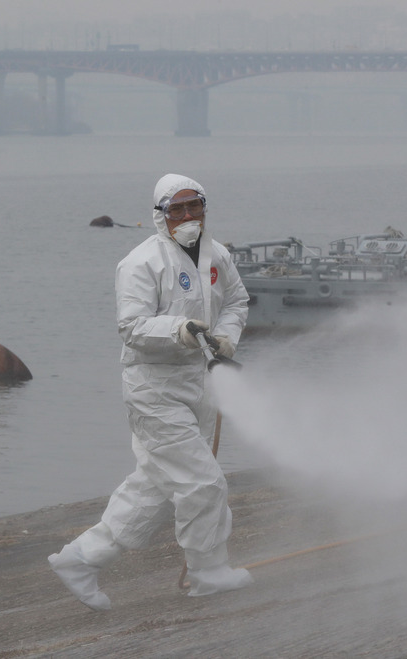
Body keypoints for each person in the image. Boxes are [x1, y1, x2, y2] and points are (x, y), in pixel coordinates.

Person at [49, 173, 252, 610]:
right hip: (154, 390)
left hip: (197, 386)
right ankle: (208, 572)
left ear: (204, 207)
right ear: (159, 215)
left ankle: (80, 559)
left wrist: (227, 337)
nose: (186, 216)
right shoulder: (141, 262)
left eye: (193, 205)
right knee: (202, 482)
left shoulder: (218, 255)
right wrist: (178, 329)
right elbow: (132, 327)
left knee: (156, 488)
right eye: (175, 209)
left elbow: (237, 301)